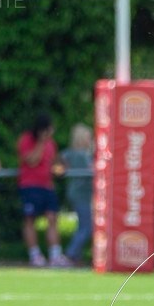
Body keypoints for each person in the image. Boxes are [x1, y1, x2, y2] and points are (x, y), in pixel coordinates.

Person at [18, 113, 68, 267]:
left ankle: (55, 254)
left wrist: (60, 168)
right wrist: (40, 142)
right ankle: (35, 255)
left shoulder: (51, 144)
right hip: (30, 186)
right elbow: (32, 160)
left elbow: (55, 164)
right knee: (30, 219)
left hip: (47, 186)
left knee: (52, 218)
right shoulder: (27, 139)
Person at [61, 124, 94, 266]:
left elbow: (61, 160)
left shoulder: (69, 153)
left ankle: (76, 255)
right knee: (86, 227)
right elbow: (91, 170)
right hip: (82, 194)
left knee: (82, 224)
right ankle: (71, 253)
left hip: (75, 192)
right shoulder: (82, 155)